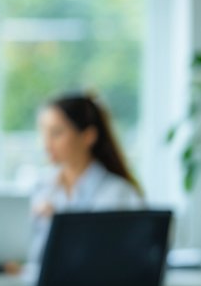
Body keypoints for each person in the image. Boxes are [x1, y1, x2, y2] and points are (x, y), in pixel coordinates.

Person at [28, 92, 144, 263]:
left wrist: (63, 227)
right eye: (44, 133)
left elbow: (120, 259)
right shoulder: (41, 189)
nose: (47, 144)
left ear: (88, 136)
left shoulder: (119, 195)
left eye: (57, 133)